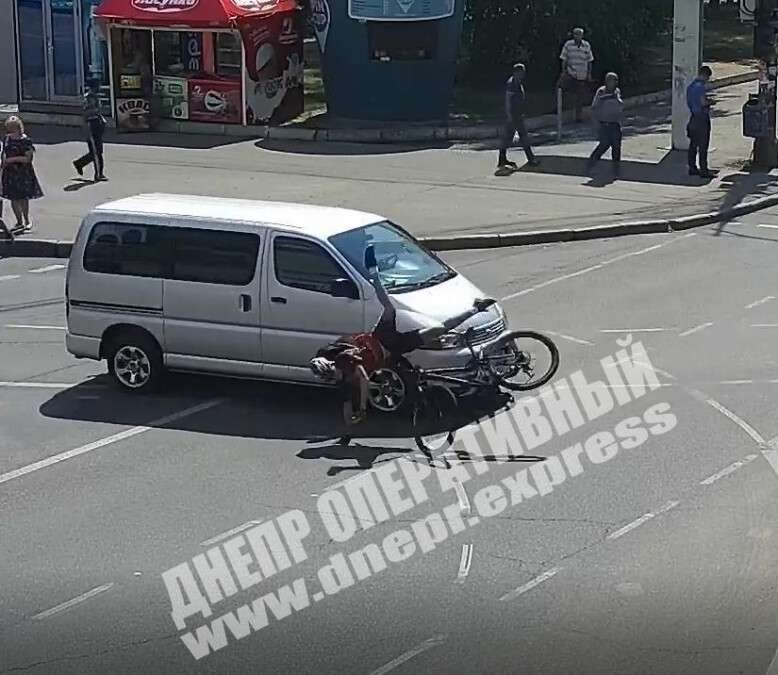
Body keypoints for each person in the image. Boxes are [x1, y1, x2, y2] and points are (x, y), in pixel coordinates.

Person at [310, 248, 496, 425]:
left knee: (390, 309)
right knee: (437, 331)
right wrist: (350, 421)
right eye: (331, 377)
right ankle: (475, 309)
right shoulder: (340, 377)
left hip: (382, 338)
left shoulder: (343, 360)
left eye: (333, 374)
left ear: (331, 365)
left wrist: (363, 410)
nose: (336, 377)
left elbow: (364, 379)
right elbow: (346, 402)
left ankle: (373, 274)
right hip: (393, 351)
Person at [1, 116, 43, 233]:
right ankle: (19, 221)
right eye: (8, 129)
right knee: (13, 198)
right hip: (10, 173)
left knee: (23, 198)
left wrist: (11, 160)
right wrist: (3, 165)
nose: (9, 132)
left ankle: (26, 220)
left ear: (18, 128)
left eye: (11, 129)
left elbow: (27, 159)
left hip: (23, 173)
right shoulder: (7, 139)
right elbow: (4, 153)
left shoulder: (25, 141)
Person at [498, 63, 540, 170]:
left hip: (517, 114)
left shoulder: (517, 82)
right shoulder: (511, 83)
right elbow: (508, 100)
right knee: (523, 136)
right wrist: (509, 115)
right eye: (522, 72)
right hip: (513, 115)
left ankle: (502, 159)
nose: (523, 74)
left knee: (508, 137)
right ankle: (531, 159)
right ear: (516, 72)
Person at [587, 72, 624, 177]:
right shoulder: (601, 91)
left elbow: (621, 104)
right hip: (604, 124)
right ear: (607, 81)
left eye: (616, 80)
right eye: (612, 80)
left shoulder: (617, 92)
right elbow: (594, 107)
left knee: (616, 147)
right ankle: (590, 164)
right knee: (603, 145)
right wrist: (596, 123)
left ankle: (616, 171)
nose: (614, 83)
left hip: (615, 123)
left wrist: (617, 99)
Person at [73, 79, 107, 182]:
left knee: (98, 151)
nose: (99, 88)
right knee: (96, 152)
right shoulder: (88, 98)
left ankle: (80, 163)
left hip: (97, 125)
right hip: (91, 126)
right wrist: (96, 111)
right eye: (98, 86)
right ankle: (98, 174)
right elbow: (86, 113)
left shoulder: (94, 97)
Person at [686, 65, 717, 179]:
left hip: (693, 118)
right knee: (703, 145)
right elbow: (703, 102)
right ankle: (704, 170)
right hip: (702, 118)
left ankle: (692, 167)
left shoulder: (690, 86)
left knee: (693, 144)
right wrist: (711, 102)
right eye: (708, 78)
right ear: (705, 75)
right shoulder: (700, 87)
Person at [559, 27, 594, 123]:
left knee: (580, 95)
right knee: (560, 88)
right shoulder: (568, 45)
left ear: (582, 36)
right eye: (575, 34)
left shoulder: (586, 45)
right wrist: (564, 72)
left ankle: (578, 116)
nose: (577, 36)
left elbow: (589, 60)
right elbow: (564, 59)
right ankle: (559, 108)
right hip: (570, 72)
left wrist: (589, 74)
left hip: (582, 74)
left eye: (579, 34)